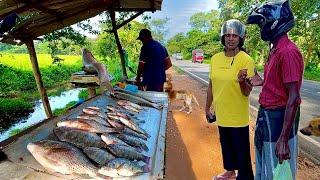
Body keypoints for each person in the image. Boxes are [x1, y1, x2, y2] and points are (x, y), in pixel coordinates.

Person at [247, 1, 304, 179]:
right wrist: (262, 82)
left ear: (274, 22)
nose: (261, 28)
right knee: (265, 167)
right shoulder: (275, 50)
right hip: (268, 116)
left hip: (279, 119)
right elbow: (279, 84)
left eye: (262, 23)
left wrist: (283, 139)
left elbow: (293, 97)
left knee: (277, 172)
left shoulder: (287, 52)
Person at [205, 19, 255, 180]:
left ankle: (245, 176)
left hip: (238, 116)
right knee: (226, 146)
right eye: (227, 35)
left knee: (242, 153)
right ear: (223, 37)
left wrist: (242, 81)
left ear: (240, 38)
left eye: (234, 35)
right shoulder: (215, 59)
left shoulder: (246, 59)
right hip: (222, 114)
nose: (231, 38)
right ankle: (230, 172)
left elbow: (247, 92)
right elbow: (211, 85)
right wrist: (207, 108)